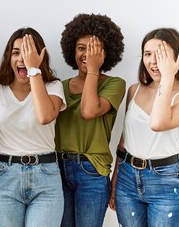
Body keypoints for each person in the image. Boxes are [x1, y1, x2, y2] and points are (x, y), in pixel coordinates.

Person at [109, 28, 179, 227]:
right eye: (148, 54)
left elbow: (158, 123)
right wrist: (115, 178)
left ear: (177, 58)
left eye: (161, 54)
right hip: (127, 179)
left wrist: (167, 78)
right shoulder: (134, 90)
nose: (153, 61)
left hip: (166, 182)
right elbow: (124, 140)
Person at [0, 27, 66, 227]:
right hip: (6, 176)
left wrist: (34, 71)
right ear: (8, 57)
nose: (22, 58)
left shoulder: (53, 87)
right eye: (16, 52)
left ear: (40, 56)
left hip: (46, 176)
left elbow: (45, 116)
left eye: (28, 52)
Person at [55, 13, 125, 227]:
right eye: (81, 48)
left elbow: (88, 110)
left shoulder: (115, 84)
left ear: (106, 53)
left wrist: (93, 70)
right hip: (58, 168)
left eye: (94, 48)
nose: (87, 54)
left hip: (92, 170)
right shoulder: (60, 87)